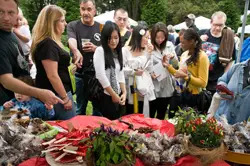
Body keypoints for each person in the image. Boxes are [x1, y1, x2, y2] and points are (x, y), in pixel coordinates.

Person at [0, 0, 62, 107]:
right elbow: (6, 80)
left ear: (17, 14)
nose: (6, 17)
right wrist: (39, 93)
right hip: (6, 106)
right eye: (1, 12)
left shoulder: (11, 35)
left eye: (10, 13)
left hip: (21, 103)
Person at [31, 5, 76, 120]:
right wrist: (65, 98)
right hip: (57, 96)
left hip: (57, 94)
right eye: (62, 21)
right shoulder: (48, 44)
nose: (65, 24)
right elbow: (52, 75)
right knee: (68, 131)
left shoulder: (50, 42)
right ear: (52, 23)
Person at [67, 0, 102, 116]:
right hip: (80, 74)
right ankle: (80, 132)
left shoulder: (101, 27)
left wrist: (96, 49)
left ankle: (97, 132)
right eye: (83, 9)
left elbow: (108, 48)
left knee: (98, 108)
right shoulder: (73, 25)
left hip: (98, 76)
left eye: (89, 9)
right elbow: (71, 40)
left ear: (95, 11)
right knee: (80, 107)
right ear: (80, 10)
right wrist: (76, 51)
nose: (86, 12)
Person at [163, 28, 209, 112]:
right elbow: (178, 74)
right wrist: (168, 66)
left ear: (191, 41)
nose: (180, 44)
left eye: (183, 42)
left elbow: (203, 83)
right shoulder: (184, 54)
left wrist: (186, 77)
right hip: (179, 93)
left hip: (193, 97)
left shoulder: (202, 57)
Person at [93, 22, 126, 120]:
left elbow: (120, 72)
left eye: (116, 37)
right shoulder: (100, 51)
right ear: (104, 38)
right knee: (108, 124)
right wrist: (113, 95)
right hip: (106, 94)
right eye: (110, 38)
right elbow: (100, 76)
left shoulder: (117, 52)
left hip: (118, 93)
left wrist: (124, 92)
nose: (113, 41)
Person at [123, 24, 155, 116]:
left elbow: (149, 68)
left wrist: (149, 54)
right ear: (138, 37)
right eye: (146, 37)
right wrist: (133, 72)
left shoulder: (147, 51)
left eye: (149, 38)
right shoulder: (125, 50)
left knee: (142, 111)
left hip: (144, 85)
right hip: (130, 86)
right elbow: (121, 70)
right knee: (130, 113)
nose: (148, 40)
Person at [200, 11, 235, 94]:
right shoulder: (201, 34)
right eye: (215, 24)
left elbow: (231, 61)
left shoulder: (228, 39)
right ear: (211, 22)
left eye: (221, 25)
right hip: (199, 78)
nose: (218, 28)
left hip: (215, 82)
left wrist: (224, 79)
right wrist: (199, 41)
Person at [150, 22, 177, 119]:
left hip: (166, 86)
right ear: (153, 36)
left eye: (163, 37)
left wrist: (172, 57)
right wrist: (150, 73)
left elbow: (175, 64)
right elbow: (145, 65)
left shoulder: (169, 45)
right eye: (157, 37)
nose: (160, 40)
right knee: (151, 115)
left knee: (161, 115)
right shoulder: (149, 47)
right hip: (153, 85)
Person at [214, 59, 250, 124]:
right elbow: (222, 80)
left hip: (241, 129)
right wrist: (223, 89)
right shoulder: (237, 67)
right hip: (220, 120)